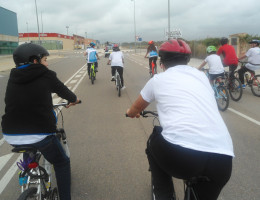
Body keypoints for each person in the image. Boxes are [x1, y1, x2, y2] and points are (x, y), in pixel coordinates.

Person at [126, 39, 234, 200]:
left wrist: (130, 112)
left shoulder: (157, 80)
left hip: (182, 156)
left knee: (154, 140)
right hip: (223, 159)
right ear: (187, 60)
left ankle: (164, 195)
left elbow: (135, 109)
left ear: (162, 62)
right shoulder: (201, 77)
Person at [1, 43, 80, 200]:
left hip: (11, 133)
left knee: (28, 145)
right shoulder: (46, 74)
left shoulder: (13, 76)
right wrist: (74, 99)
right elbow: (63, 91)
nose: (47, 63)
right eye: (45, 59)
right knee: (61, 163)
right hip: (41, 134)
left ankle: (27, 171)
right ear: (35, 61)